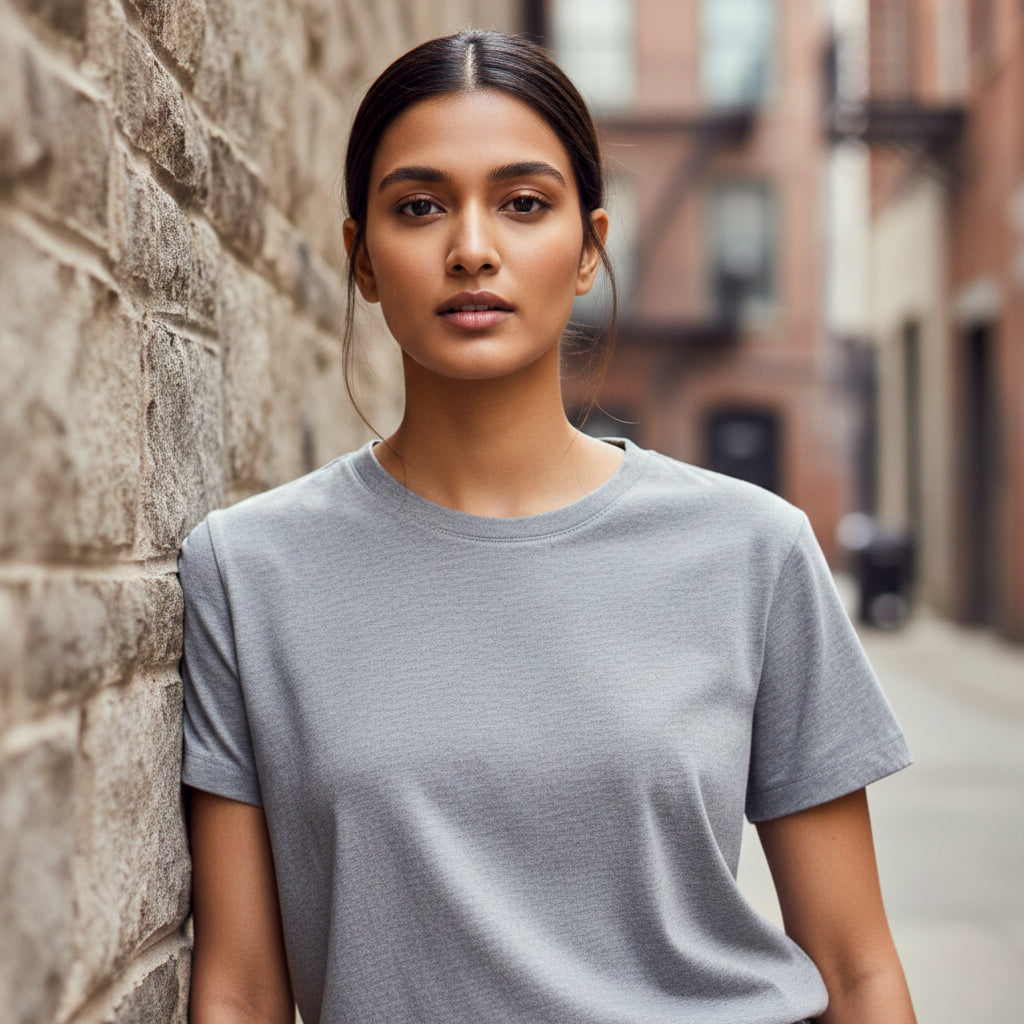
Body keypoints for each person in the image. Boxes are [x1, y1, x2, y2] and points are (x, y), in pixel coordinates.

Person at [180, 29, 917, 1024]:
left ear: (588, 250)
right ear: (361, 259)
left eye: (523, 203)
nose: (472, 248)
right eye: (419, 206)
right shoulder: (249, 572)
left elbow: (857, 968)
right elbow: (239, 990)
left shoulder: (755, 552)